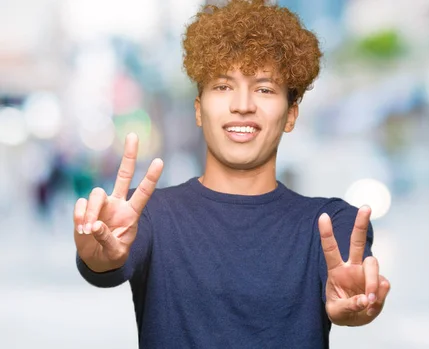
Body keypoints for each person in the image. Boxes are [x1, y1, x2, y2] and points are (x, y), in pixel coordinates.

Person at [73, 0, 390, 348]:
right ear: (198, 109)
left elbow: (349, 278)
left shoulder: (330, 222)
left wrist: (355, 300)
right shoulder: (148, 214)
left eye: (265, 89)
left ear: (291, 115)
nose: (242, 104)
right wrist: (97, 256)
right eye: (223, 86)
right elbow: (107, 263)